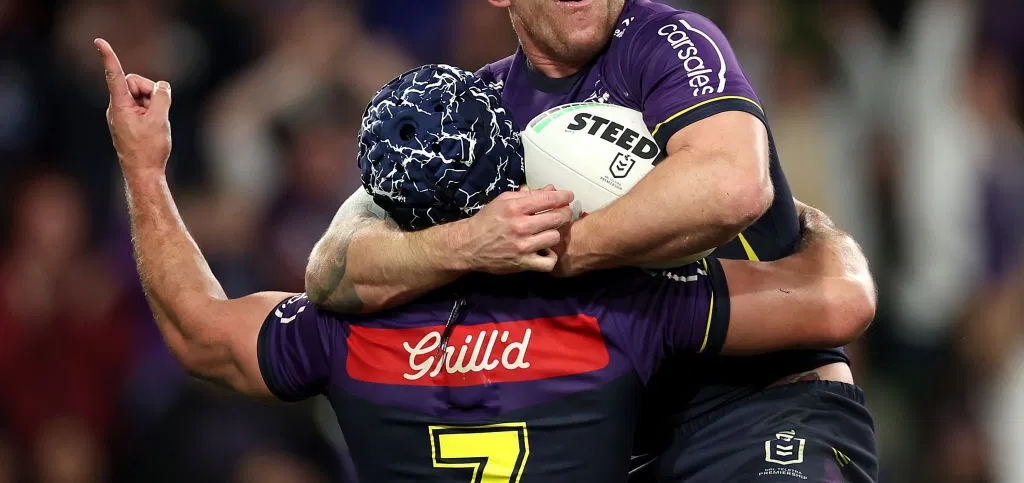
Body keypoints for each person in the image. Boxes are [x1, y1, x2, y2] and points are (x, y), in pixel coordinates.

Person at [305, 0, 879, 482]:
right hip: (618, 441)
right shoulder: (474, 117)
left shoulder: (668, 44)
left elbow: (733, 186)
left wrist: (562, 256)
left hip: (766, 408)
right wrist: (472, 244)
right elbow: (332, 269)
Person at [96, 40, 873, 482]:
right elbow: (834, 303)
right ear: (513, 170)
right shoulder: (610, 300)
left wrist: (143, 171)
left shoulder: (340, 330)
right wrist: (811, 222)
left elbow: (197, 327)